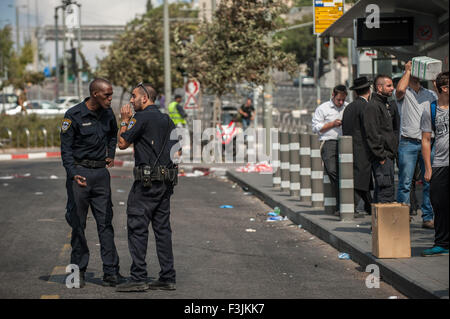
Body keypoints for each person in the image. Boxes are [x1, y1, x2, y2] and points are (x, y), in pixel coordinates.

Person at [116, 83, 179, 292]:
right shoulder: (166, 119)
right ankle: (167, 276)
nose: (131, 100)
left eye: (134, 96)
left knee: (137, 226)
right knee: (162, 230)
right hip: (165, 183)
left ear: (145, 98)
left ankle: (138, 277)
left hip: (146, 184)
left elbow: (122, 143)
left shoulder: (140, 117)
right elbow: (176, 149)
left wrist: (124, 121)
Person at [60, 78, 123, 288]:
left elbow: (113, 135)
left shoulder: (107, 114)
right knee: (78, 225)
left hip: (100, 175)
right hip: (81, 175)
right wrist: (72, 173)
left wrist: (110, 154)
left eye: (111, 94)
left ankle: (111, 272)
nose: (110, 98)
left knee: (105, 224)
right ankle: (77, 273)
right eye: (107, 95)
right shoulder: (73, 115)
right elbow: (66, 150)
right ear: (95, 94)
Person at [395, 60, 437, 229]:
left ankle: (428, 217)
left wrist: (435, 78)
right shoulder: (405, 94)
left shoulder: (429, 94)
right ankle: (403, 216)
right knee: (405, 182)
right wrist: (407, 70)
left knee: (429, 181)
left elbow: (443, 97)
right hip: (408, 143)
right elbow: (399, 90)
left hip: (429, 143)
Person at [421, 71, 449, 257]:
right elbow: (425, 140)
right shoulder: (429, 109)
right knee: (439, 204)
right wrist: (428, 169)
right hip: (440, 163)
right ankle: (442, 243)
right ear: (444, 89)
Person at [312, 84, 349, 215]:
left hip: (345, 142)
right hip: (328, 142)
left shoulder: (347, 107)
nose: (340, 102)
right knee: (333, 172)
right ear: (333, 95)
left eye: (343, 100)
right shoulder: (323, 108)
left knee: (346, 174)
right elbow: (316, 127)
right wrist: (332, 124)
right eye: (338, 99)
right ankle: (339, 204)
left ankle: (344, 205)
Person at [363, 75, 400, 203]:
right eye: (388, 86)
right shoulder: (373, 106)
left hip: (388, 156)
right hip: (382, 157)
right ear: (379, 87)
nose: (392, 88)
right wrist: (381, 156)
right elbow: (372, 133)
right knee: (386, 193)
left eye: (392, 85)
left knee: (382, 192)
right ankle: (385, 222)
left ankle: (379, 222)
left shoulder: (385, 104)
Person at [342, 76, 373, 217]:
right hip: (362, 148)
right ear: (369, 90)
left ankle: (368, 205)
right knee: (361, 178)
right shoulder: (366, 106)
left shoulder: (349, 107)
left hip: (348, 146)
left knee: (361, 177)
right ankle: (359, 205)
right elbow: (369, 129)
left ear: (356, 92)